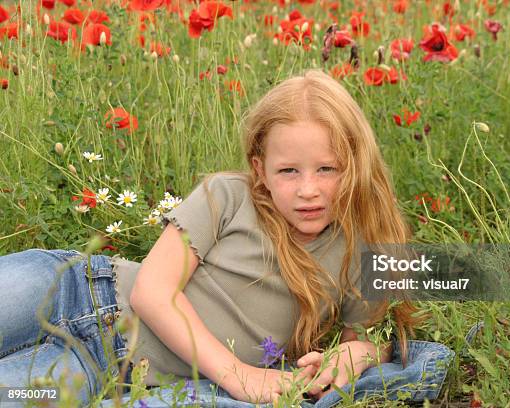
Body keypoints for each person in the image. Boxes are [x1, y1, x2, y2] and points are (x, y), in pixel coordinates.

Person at [0, 70, 455, 407]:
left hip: (106, 364)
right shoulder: (229, 196)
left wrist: (360, 353)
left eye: (327, 169)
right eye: (288, 171)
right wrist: (239, 375)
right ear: (260, 168)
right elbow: (151, 292)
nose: (308, 189)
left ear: (354, 165)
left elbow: (374, 339)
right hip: (75, 289)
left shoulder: (360, 252)